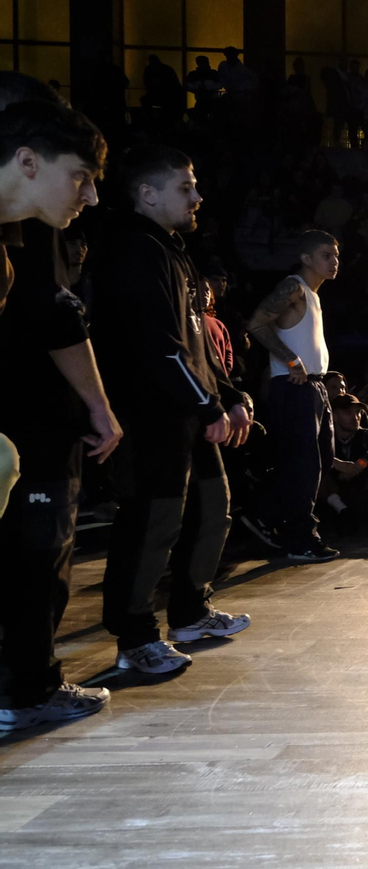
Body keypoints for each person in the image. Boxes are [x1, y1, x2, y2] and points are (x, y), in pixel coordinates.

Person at [92, 145, 254, 676]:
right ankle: (135, 638)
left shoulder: (172, 249)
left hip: (189, 410)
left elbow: (195, 344)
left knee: (212, 508)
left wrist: (229, 395)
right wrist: (208, 405)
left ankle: (190, 612)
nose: (197, 196)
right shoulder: (134, 250)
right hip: (153, 416)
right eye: (185, 187)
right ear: (147, 194)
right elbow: (159, 348)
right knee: (152, 522)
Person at [0, 92, 118, 731]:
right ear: (27, 162)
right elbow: (54, 315)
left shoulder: (9, 243)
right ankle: (26, 691)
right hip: (33, 424)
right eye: (79, 177)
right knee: (33, 559)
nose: (90, 197)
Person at [242, 229, 341, 563]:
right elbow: (256, 323)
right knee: (303, 465)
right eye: (326, 255)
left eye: (336, 255)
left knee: (320, 460)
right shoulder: (294, 287)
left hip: (313, 385)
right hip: (294, 385)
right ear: (306, 258)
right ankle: (300, 539)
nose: (334, 261)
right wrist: (290, 359)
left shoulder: (312, 295)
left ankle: (264, 513)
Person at [323, 394, 368, 534]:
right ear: (335, 416)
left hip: (362, 492)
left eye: (358, 412)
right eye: (348, 412)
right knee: (317, 469)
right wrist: (337, 464)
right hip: (337, 495)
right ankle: (343, 514)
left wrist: (361, 464)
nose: (355, 417)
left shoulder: (365, 434)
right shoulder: (326, 438)